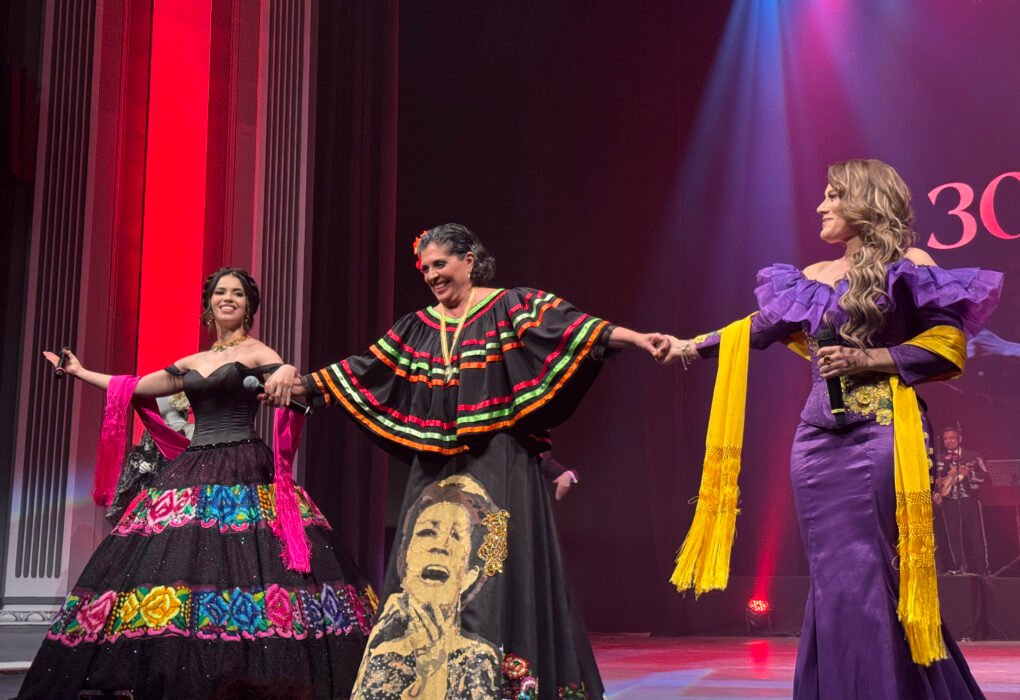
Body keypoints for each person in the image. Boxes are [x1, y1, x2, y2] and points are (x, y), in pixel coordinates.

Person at [263, 223, 668, 699]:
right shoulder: (417, 327)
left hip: (500, 463)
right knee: (423, 567)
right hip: (435, 467)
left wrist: (638, 338)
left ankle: (505, 680)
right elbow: (367, 369)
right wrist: (303, 385)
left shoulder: (509, 306)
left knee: (495, 563)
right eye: (426, 268)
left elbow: (574, 329)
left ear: (469, 260)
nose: (433, 275)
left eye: (441, 264)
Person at [662, 160, 1001, 699]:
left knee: (867, 567)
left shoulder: (908, 264)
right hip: (816, 441)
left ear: (866, 202)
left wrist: (871, 357)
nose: (820, 207)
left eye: (833, 196)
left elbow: (946, 347)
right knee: (831, 573)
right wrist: (688, 346)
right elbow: (758, 328)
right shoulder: (812, 276)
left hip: (881, 434)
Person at [19, 268, 375, 700]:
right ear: (208, 305)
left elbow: (287, 377)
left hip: (245, 463)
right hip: (191, 468)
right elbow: (133, 387)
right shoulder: (190, 363)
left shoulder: (258, 350)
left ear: (249, 306)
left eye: (238, 294)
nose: (228, 299)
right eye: (221, 293)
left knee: (250, 571)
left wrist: (288, 370)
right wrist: (81, 372)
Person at [934, 425, 990, 575]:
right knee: (953, 536)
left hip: (969, 500)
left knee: (976, 535)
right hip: (949, 502)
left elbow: (986, 477)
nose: (949, 441)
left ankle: (982, 569)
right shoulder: (938, 458)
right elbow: (932, 480)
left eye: (952, 438)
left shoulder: (972, 456)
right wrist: (937, 491)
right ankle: (958, 568)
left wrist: (969, 474)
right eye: (946, 439)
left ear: (959, 439)